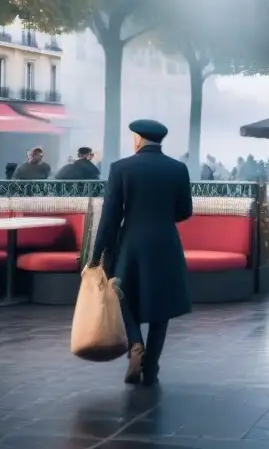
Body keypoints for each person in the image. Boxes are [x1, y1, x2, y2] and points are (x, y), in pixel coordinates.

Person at [89, 119, 192, 387]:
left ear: (138, 139)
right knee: (162, 303)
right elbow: (185, 212)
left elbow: (110, 217)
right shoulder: (178, 168)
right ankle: (152, 366)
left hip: (132, 243)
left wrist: (96, 255)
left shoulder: (121, 168)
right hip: (166, 242)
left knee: (122, 293)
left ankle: (136, 344)